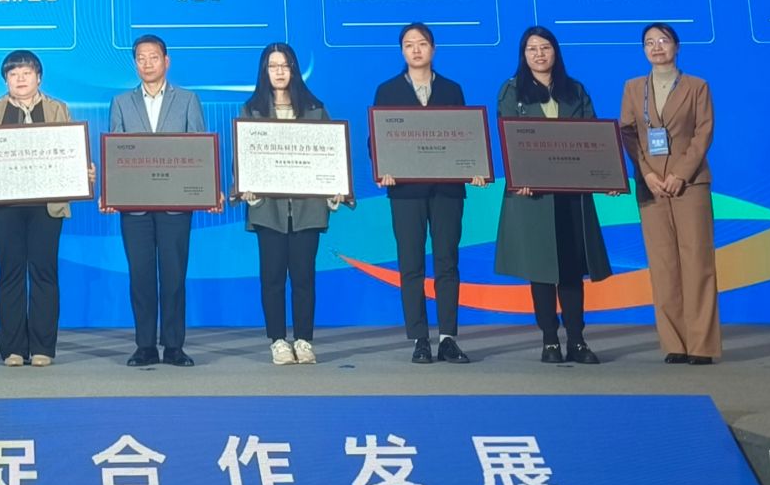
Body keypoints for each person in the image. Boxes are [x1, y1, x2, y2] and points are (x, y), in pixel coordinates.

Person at [493, 27, 614, 365]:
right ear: (523, 55)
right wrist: (521, 177)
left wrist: (604, 175)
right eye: (532, 49)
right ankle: (549, 340)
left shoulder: (575, 90)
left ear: (555, 52)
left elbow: (594, 138)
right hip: (533, 196)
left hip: (571, 195)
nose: (539, 54)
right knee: (542, 269)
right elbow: (509, 139)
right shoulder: (512, 91)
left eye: (545, 47)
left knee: (571, 270)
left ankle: (577, 340)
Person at [372, 21, 489, 364]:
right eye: (409, 44)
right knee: (410, 265)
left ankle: (448, 338)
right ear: (402, 51)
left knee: (447, 262)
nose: (416, 49)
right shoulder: (387, 90)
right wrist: (382, 169)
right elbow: (376, 139)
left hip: (447, 191)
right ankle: (419, 339)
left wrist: (475, 168)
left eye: (422, 43)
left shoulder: (452, 89)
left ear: (433, 49)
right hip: (405, 192)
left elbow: (465, 137)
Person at [237, 42, 349, 365]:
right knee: (272, 278)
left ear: (294, 70)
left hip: (307, 208)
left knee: (304, 277)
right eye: (272, 66)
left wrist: (335, 189)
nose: (279, 72)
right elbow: (241, 160)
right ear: (264, 71)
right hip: (268, 210)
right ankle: (277, 340)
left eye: (284, 65)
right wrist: (246, 188)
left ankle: (303, 340)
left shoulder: (315, 109)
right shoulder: (251, 111)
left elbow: (331, 157)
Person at [617, 22, 720, 365]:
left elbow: (703, 134)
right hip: (651, 185)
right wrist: (646, 173)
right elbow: (628, 135)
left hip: (690, 183)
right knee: (663, 265)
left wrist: (681, 174)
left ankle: (701, 345)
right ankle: (675, 343)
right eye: (649, 42)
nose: (656, 47)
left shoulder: (696, 86)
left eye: (663, 40)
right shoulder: (633, 88)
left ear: (677, 46)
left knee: (697, 262)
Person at [105, 34, 210, 367]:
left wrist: (206, 189)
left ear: (166, 61)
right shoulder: (121, 102)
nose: (147, 63)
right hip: (134, 207)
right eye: (141, 58)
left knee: (174, 276)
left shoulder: (188, 100)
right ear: (134, 63)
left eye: (153, 57)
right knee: (141, 276)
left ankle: (175, 346)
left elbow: (199, 150)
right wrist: (110, 192)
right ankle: (145, 345)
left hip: (175, 205)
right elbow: (115, 154)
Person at [0, 50, 76, 367]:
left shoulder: (59, 109)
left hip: (47, 205)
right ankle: (13, 348)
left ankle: (43, 347)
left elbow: (71, 151)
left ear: (39, 77)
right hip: (5, 206)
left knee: (44, 272)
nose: (20, 79)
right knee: (10, 273)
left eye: (26, 73)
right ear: (5, 79)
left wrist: (81, 171)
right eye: (13, 73)